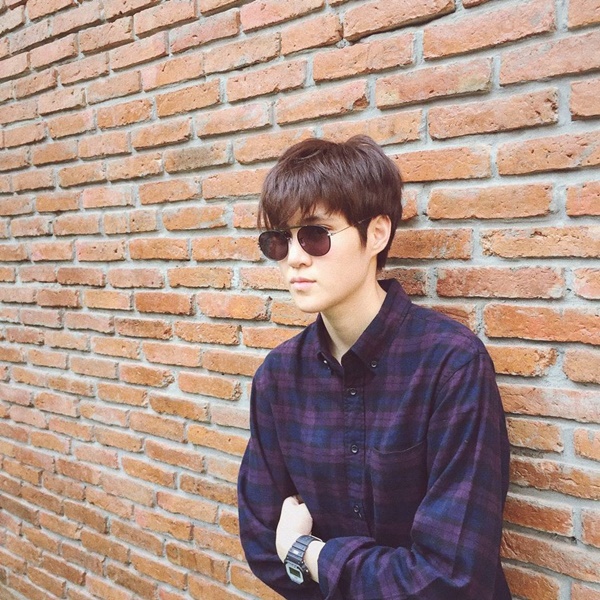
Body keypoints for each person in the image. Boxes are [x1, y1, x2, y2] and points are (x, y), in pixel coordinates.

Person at [237, 135, 511, 600]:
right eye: (279, 240)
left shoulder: (450, 365)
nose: (295, 257)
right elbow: (263, 544)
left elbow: (450, 577)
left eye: (316, 234)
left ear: (377, 234)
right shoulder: (278, 378)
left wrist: (309, 554)